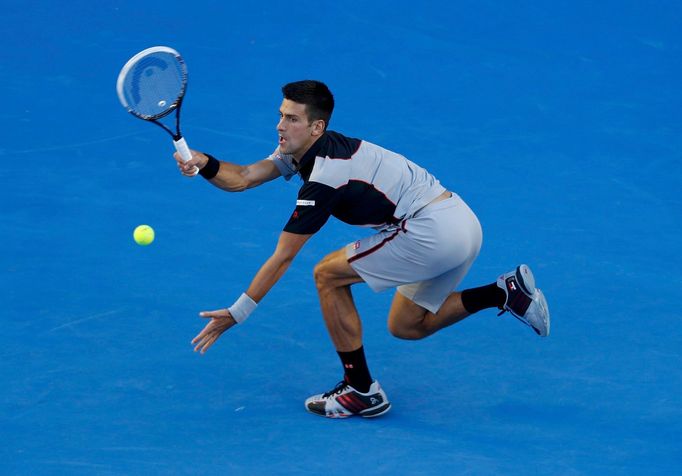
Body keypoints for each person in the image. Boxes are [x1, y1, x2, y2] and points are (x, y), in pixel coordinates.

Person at [175, 80, 550, 419]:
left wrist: (238, 312)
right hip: (461, 222)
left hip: (430, 230)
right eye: (280, 115)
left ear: (316, 127)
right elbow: (243, 177)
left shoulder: (325, 176)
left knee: (327, 274)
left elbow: (284, 255)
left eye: (291, 119)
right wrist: (204, 163)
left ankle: (361, 390)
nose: (280, 125)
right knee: (407, 326)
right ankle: (503, 292)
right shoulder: (306, 149)